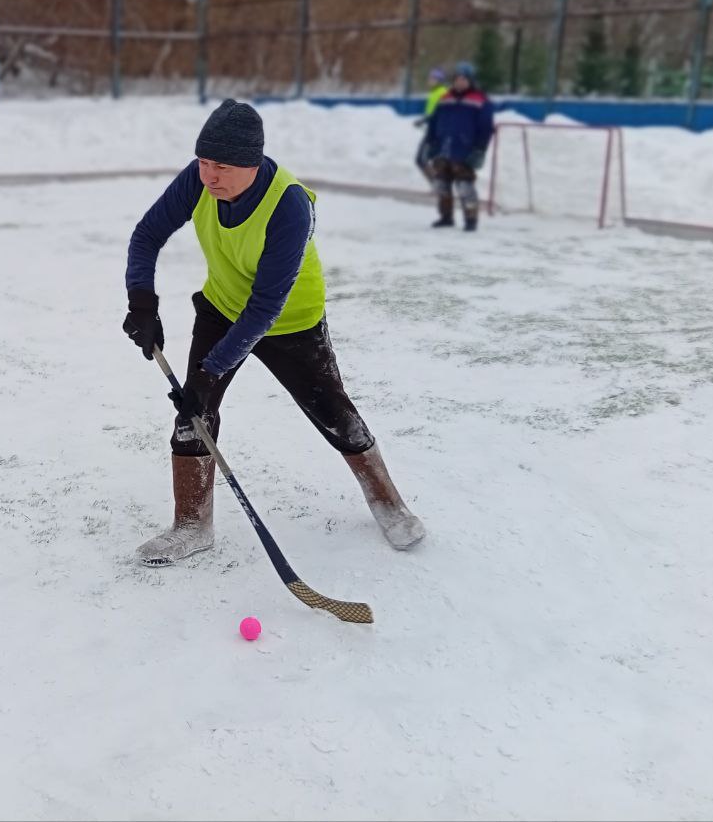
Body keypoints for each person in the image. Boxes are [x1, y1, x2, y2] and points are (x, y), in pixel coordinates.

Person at [122, 99, 426, 568]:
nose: (209, 176)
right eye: (203, 162)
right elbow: (147, 234)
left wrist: (208, 372)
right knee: (193, 415)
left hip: (290, 320)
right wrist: (141, 300)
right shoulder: (199, 179)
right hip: (223, 305)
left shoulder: (289, 206)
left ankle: (389, 503)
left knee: (333, 412)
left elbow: (266, 306)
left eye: (221, 166)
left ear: (252, 164)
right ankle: (192, 525)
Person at [423, 60, 494, 231]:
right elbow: (433, 122)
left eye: (464, 79)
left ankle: (471, 220)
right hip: (443, 148)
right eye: (457, 78)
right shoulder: (444, 98)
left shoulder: (481, 100)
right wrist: (430, 143)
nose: (460, 82)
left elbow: (486, 127)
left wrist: (479, 149)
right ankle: (446, 217)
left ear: (471, 80)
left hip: (464, 149)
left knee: (464, 186)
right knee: (441, 184)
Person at [413, 67, 449, 179]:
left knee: (421, 159)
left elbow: (439, 113)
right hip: (432, 130)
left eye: (433, 78)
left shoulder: (442, 93)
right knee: (428, 159)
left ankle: (439, 184)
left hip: (437, 132)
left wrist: (424, 120)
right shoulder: (434, 93)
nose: (430, 80)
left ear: (439, 80)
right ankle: (439, 185)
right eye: (430, 77)